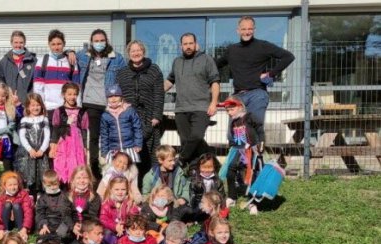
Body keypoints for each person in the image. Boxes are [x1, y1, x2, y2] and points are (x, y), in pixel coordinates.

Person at [216, 16, 295, 127]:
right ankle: (237, 144)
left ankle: (255, 144)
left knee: (253, 129)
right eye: (243, 29)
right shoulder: (232, 50)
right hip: (237, 95)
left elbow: (288, 57)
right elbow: (215, 65)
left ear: (254, 30)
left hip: (257, 94)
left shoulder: (263, 46)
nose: (247, 32)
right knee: (234, 133)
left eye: (250, 29)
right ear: (238, 31)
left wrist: (270, 74)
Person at [69, 29, 127, 178]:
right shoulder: (84, 55)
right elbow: (69, 55)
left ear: (106, 41)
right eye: (96, 41)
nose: (99, 43)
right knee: (93, 137)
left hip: (109, 104)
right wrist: (69, 51)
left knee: (109, 137)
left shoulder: (117, 58)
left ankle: (112, 168)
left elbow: (124, 81)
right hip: (90, 102)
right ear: (91, 42)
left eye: (102, 40)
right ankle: (94, 170)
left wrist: (122, 101)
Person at [164, 33, 221, 167]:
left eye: (191, 43)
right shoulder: (177, 62)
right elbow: (169, 81)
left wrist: (214, 103)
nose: (188, 46)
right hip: (181, 109)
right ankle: (198, 170)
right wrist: (155, 93)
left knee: (196, 137)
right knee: (186, 141)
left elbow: (215, 82)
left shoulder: (206, 59)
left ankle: (181, 161)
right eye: (185, 44)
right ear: (181, 46)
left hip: (201, 107)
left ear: (196, 44)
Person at [116, 40, 164, 178]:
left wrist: (156, 116)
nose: (136, 53)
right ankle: (131, 184)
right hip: (129, 118)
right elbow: (119, 96)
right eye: (133, 51)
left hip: (149, 116)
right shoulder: (122, 73)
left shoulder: (154, 70)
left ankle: (149, 184)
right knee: (131, 153)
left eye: (138, 50)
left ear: (143, 52)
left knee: (149, 153)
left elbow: (159, 94)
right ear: (128, 54)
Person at [218, 96, 264, 215]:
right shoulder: (233, 122)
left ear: (240, 107)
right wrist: (232, 147)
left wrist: (261, 142)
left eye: (231, 109)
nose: (229, 112)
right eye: (227, 110)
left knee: (252, 174)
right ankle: (232, 197)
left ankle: (253, 202)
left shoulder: (249, 117)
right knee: (230, 169)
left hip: (251, 150)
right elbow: (233, 136)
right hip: (238, 150)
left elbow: (259, 128)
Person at [33, 29, 79, 118]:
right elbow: (38, 88)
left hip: (66, 108)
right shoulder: (42, 61)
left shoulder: (71, 61)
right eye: (53, 44)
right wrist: (41, 106)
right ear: (49, 45)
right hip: (48, 108)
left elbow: (77, 86)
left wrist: (76, 107)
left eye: (59, 44)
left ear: (64, 44)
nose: (56, 47)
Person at [50, 83, 89, 184]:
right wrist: (53, 144)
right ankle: (63, 186)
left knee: (77, 164)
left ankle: (76, 187)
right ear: (64, 95)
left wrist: (85, 147)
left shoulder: (82, 111)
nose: (72, 97)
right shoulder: (59, 111)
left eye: (75, 94)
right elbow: (55, 128)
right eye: (69, 94)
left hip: (77, 144)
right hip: (63, 142)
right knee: (62, 163)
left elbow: (84, 130)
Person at [99, 84, 143, 170]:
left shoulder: (129, 111)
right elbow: (104, 134)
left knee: (131, 171)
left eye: (116, 95)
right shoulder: (105, 115)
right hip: (114, 149)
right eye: (110, 96)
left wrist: (138, 143)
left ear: (121, 96)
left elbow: (137, 128)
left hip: (129, 147)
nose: (113, 98)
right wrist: (104, 151)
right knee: (114, 172)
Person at [15, 93, 50, 197]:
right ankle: (30, 195)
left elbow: (47, 135)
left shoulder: (44, 119)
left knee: (41, 172)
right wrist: (30, 149)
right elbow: (22, 137)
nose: (35, 108)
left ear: (42, 106)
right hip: (28, 153)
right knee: (29, 174)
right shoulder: (24, 120)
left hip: (41, 152)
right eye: (33, 105)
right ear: (28, 107)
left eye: (38, 105)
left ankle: (41, 195)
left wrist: (42, 150)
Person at [32, 170, 74, 244]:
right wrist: (43, 224)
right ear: (44, 184)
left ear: (59, 182)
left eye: (55, 184)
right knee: (43, 237)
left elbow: (69, 213)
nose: (52, 187)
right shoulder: (42, 199)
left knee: (61, 237)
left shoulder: (65, 196)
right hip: (48, 225)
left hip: (62, 224)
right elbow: (40, 214)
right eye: (49, 185)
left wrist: (66, 225)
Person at [0, 30, 37, 103]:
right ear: (11, 43)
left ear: (24, 43)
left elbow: (36, 82)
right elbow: (0, 82)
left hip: (28, 103)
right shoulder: (4, 61)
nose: (18, 45)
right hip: (9, 102)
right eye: (16, 42)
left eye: (21, 42)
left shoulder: (33, 61)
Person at [99, 176, 140, 244]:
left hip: (125, 230)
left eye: (123, 189)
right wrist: (115, 226)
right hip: (111, 231)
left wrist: (122, 225)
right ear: (111, 190)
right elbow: (103, 219)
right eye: (117, 189)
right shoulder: (106, 204)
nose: (120, 192)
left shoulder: (130, 204)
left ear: (127, 190)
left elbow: (134, 218)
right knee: (106, 233)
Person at [0, 171, 34, 241]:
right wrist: (0, 228)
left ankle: (21, 231)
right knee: (7, 205)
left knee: (16, 206)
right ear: (5, 186)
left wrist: (25, 228)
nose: (13, 187)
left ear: (19, 184)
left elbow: (28, 212)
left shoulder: (23, 194)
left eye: (15, 184)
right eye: (10, 185)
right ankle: (5, 230)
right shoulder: (1, 196)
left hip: (19, 221)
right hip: (7, 221)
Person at [68, 166, 102, 237]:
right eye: (78, 178)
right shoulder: (67, 196)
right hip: (72, 224)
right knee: (63, 233)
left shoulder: (94, 197)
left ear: (90, 179)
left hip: (87, 224)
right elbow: (65, 214)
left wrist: (83, 227)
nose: (82, 181)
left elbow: (92, 216)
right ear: (73, 180)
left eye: (85, 178)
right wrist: (73, 226)